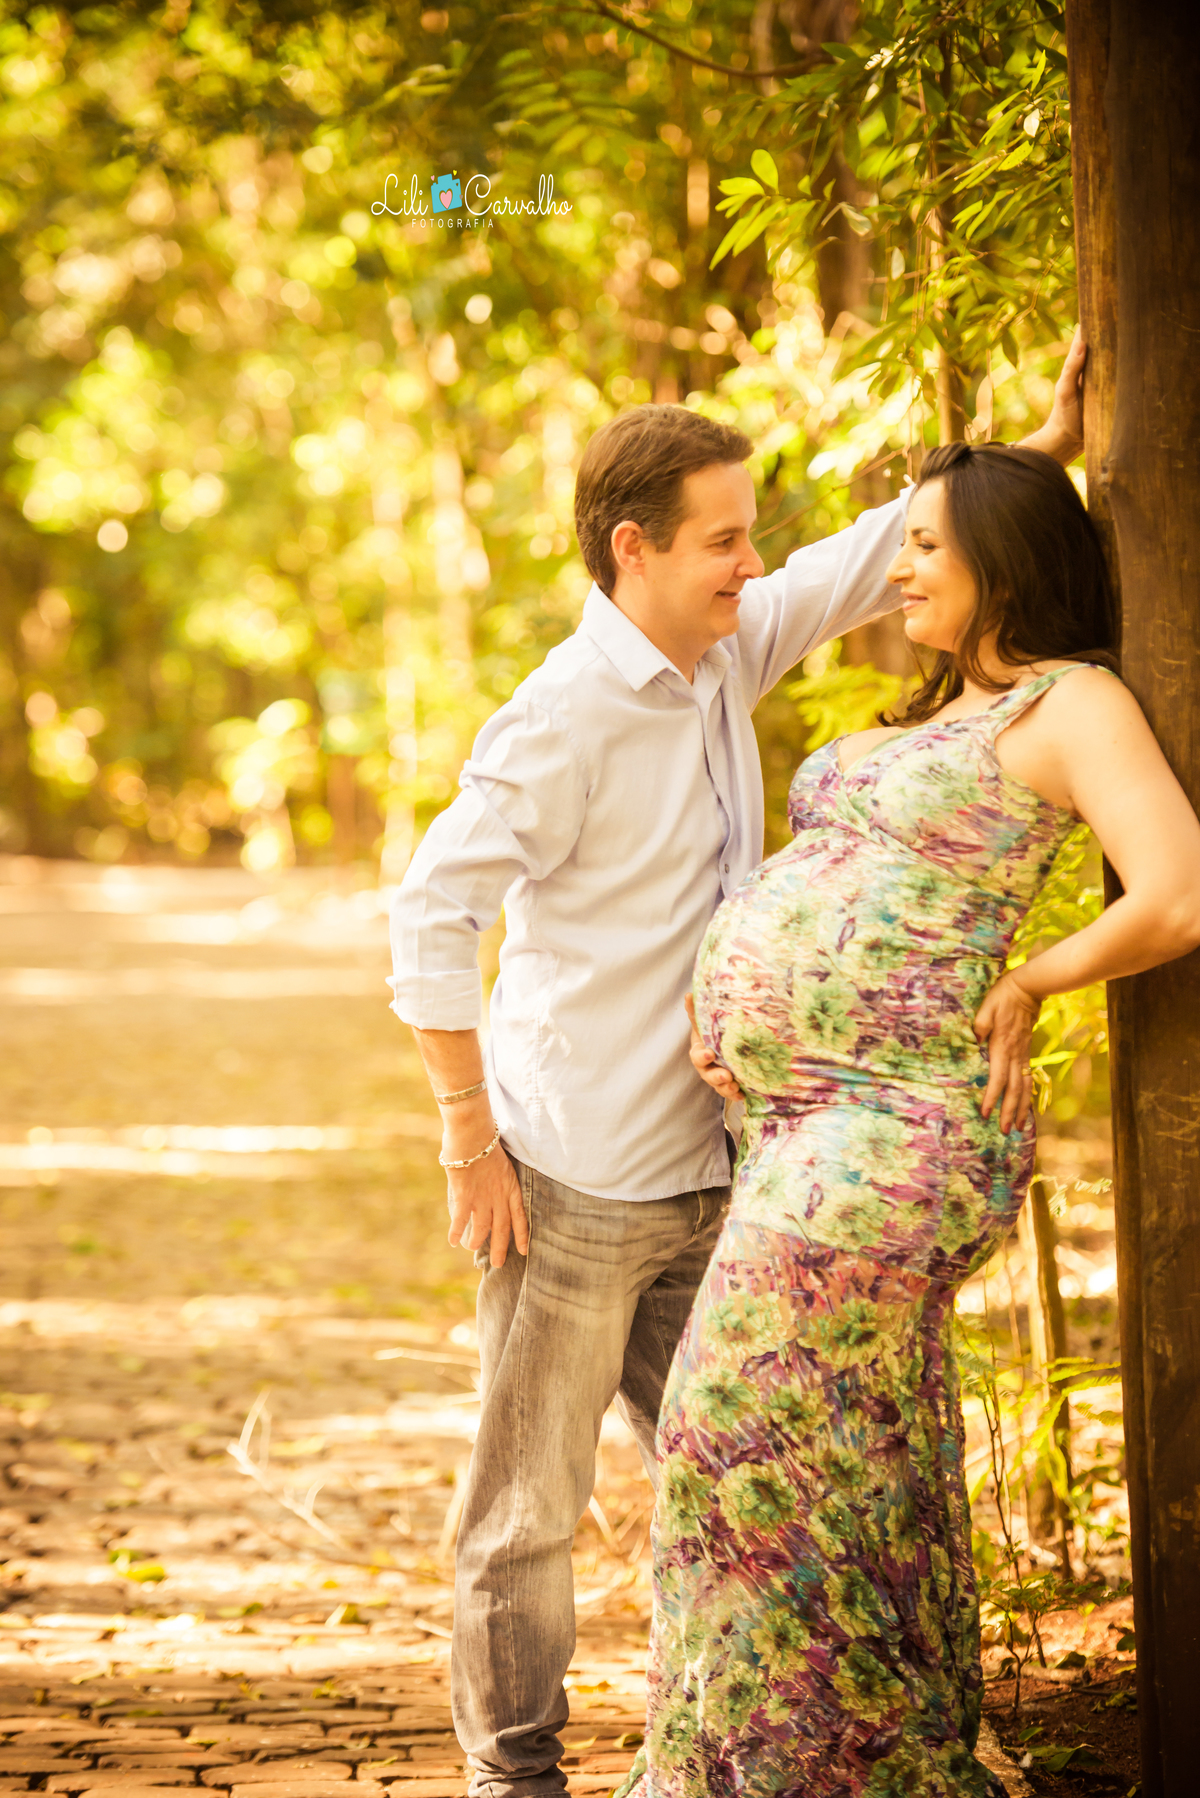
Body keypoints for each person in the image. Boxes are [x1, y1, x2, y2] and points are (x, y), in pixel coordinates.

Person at [388, 351, 1086, 1798]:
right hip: (572, 1180)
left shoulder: (723, 641)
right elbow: (431, 914)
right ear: (631, 549)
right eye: (724, 539)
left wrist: (1036, 446)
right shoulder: (560, 715)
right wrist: (469, 1133)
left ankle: (816, 1746)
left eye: (750, 537)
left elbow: (855, 567)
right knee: (527, 1510)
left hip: (724, 1175)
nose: (751, 564)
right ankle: (512, 1779)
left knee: (763, 1465)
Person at [619, 442, 1200, 1798]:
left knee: (728, 1429)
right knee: (859, 1453)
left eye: (931, 543)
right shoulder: (939, 707)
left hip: (901, 1127)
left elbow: (1175, 888)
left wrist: (1036, 977)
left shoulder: (1075, 700)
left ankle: (774, 1771)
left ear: (1007, 555)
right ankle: (874, 1762)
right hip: (795, 1131)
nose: (901, 564)